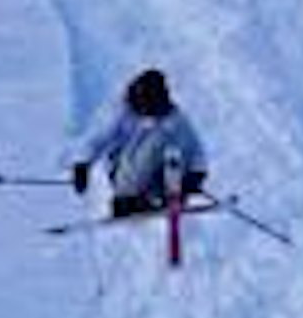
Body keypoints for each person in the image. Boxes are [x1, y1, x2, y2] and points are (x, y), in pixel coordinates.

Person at [72, 69, 208, 217]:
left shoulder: (174, 118)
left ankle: (161, 196)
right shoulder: (125, 113)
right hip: (124, 172)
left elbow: (196, 151)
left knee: (172, 142)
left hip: (155, 180)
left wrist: (195, 175)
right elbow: (100, 139)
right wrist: (83, 164)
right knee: (158, 139)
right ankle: (129, 200)